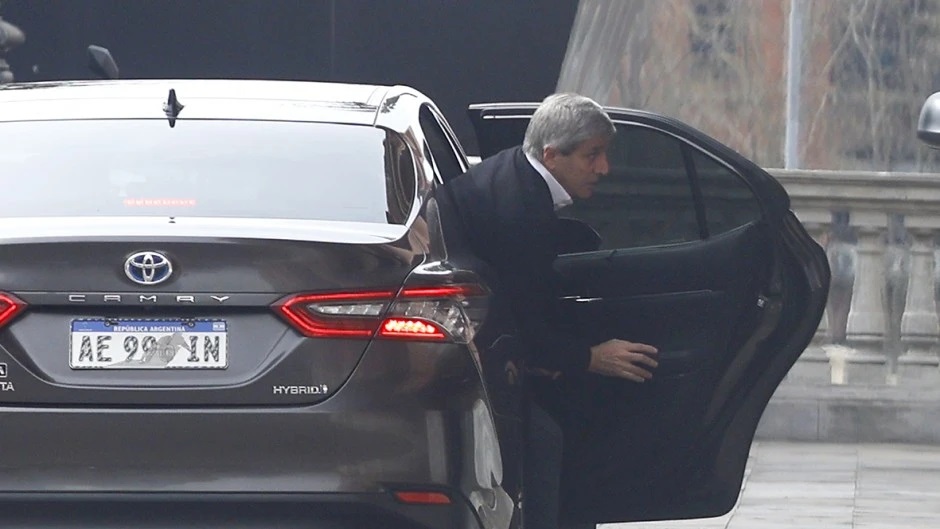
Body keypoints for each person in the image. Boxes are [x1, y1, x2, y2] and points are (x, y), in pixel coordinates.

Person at [441, 93, 659, 529]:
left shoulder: (517, 177)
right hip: (471, 358)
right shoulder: (520, 213)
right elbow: (520, 318)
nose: (604, 168)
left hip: (493, 344)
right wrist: (589, 357)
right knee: (543, 440)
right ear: (552, 155)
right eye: (592, 155)